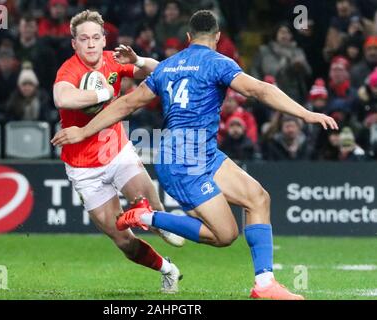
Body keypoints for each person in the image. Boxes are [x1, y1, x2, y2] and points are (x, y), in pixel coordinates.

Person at [52, 10, 339, 300]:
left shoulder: (169, 65)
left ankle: (264, 284)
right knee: (225, 235)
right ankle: (148, 216)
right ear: (217, 37)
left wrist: (84, 130)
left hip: (202, 154)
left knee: (258, 197)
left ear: (188, 38)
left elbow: (126, 104)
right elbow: (260, 90)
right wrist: (305, 113)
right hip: (183, 161)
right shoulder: (218, 62)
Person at [51, 10, 184, 294]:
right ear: (74, 43)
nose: (90, 44)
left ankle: (161, 223)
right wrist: (104, 94)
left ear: (103, 40)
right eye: (83, 39)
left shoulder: (115, 59)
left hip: (117, 151)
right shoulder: (69, 70)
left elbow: (161, 70)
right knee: (123, 240)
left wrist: (138, 60)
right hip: (83, 168)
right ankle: (167, 268)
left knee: (149, 205)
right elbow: (63, 97)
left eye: (96, 38)